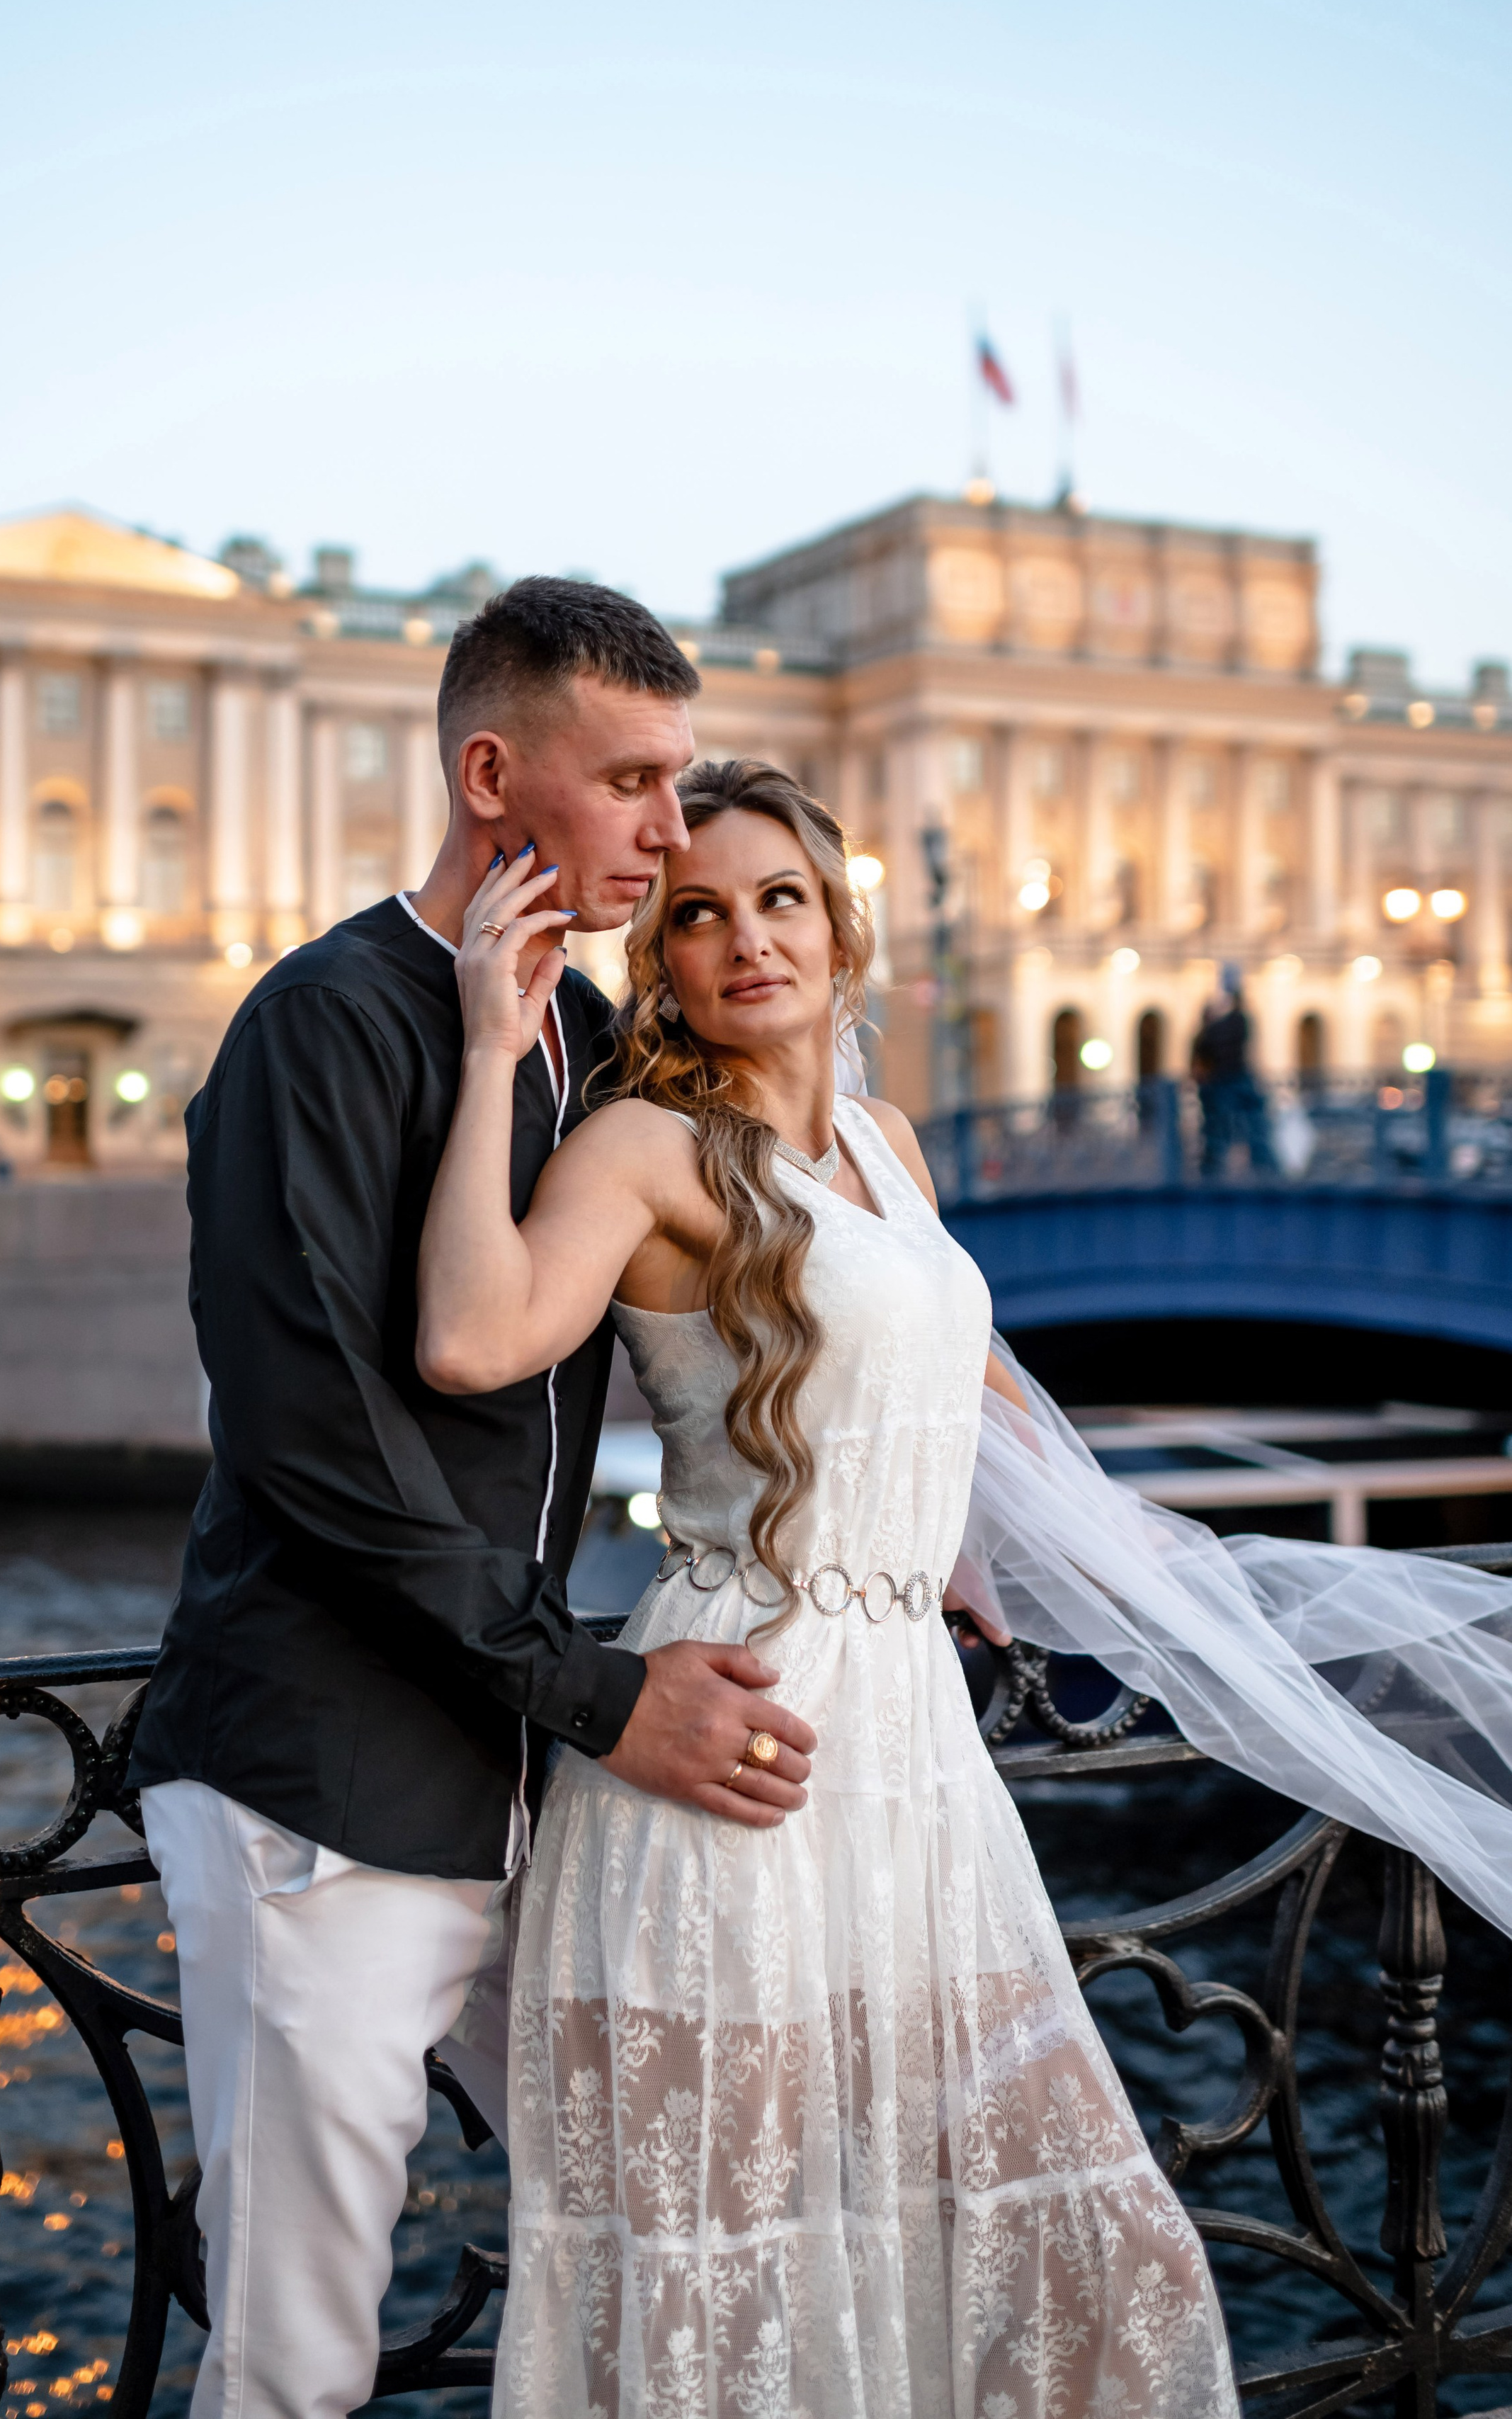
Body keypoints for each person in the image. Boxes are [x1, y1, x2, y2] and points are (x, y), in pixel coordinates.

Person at [419, 756, 1512, 2418]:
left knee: (1058, 2229)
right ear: (662, 958)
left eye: (779, 898)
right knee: (751, 2276)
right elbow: (467, 1337)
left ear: (837, 925)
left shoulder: (886, 1140)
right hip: (740, 1743)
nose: (745, 939)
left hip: (913, 1740)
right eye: (698, 913)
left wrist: (1018, 1542)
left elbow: (967, 1390)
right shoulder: (644, 1147)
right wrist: (491, 1049)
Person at [126, 583, 823, 2419]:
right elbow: (316, 1448)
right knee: (294, 2360)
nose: (670, 828)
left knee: (668, 2253)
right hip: (325, 1789)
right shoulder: (320, 1024)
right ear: (493, 776)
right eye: (634, 780)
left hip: (519, 1782)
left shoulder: (586, 1039)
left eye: (680, 780)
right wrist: (600, 1695)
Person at [1190, 968, 1275, 1175]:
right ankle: (1261, 1165)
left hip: (1222, 1083)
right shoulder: (1236, 1023)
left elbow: (1200, 1061)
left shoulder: (1212, 1031)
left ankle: (1214, 1167)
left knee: (1221, 1129)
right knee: (1248, 1125)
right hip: (1231, 1081)